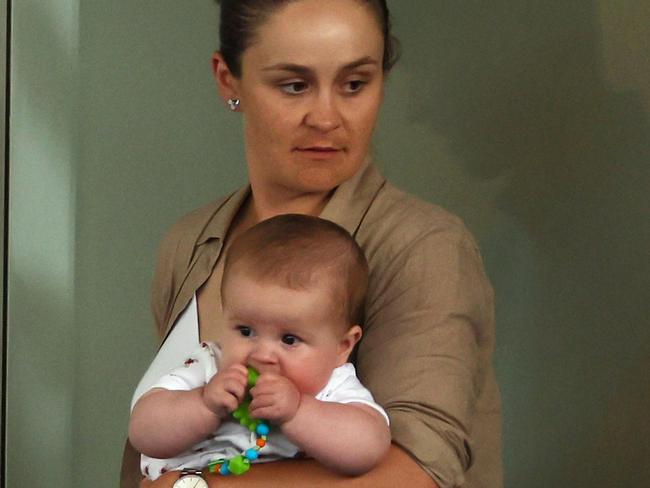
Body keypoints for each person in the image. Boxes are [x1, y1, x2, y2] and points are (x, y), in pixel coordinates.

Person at [121, 0, 502, 487]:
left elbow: (420, 473)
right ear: (227, 79)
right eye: (295, 85)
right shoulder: (191, 242)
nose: (326, 117)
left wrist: (195, 487)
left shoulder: (423, 247)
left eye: (354, 84)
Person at [129, 215, 391, 480]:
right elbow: (143, 432)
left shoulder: (333, 388)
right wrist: (203, 403)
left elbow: (369, 449)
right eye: (246, 331)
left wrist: (298, 411)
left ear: (342, 347)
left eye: (289, 340)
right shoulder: (210, 365)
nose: (262, 355)